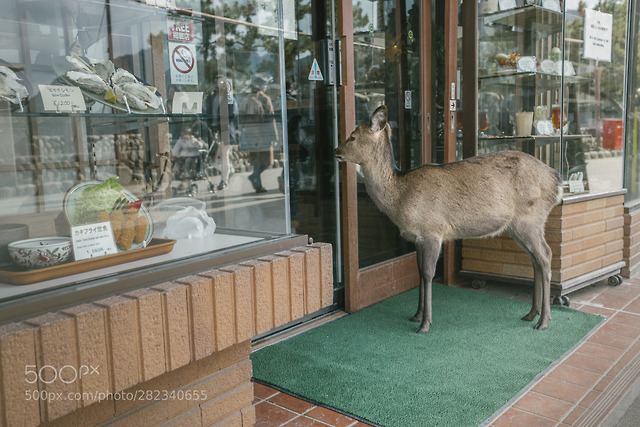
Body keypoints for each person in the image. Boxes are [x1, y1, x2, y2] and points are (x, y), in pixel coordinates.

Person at [239, 73, 279, 193]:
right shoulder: (264, 99)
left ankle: (258, 184)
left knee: (256, 159)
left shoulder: (245, 99)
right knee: (267, 161)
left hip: (249, 134)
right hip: (263, 134)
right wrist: (275, 136)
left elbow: (241, 118)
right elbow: (270, 118)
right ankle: (255, 177)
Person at [207, 75, 239, 190]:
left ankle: (224, 181)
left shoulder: (230, 98)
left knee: (223, 156)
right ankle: (230, 169)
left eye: (219, 82)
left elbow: (233, 115)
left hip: (226, 131)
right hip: (213, 131)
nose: (216, 85)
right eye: (215, 82)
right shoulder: (211, 98)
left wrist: (220, 123)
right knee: (215, 159)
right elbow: (207, 113)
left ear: (225, 84)